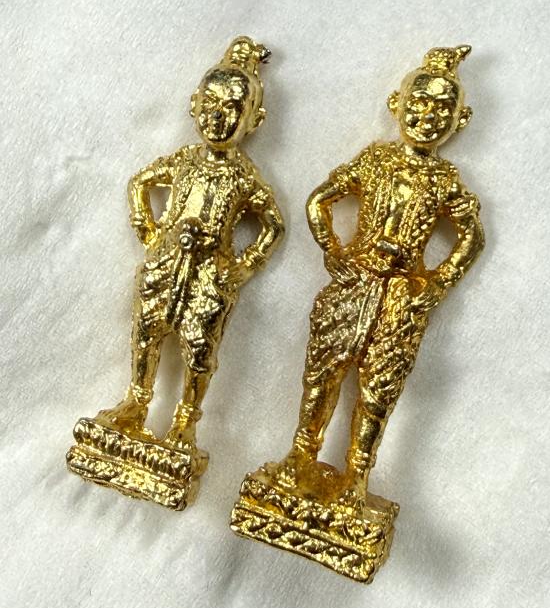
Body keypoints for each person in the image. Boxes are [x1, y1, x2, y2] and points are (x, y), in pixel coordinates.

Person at [279, 45, 485, 508]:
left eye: (442, 109)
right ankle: (300, 457)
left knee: (378, 391)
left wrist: (437, 283)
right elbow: (319, 200)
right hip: (353, 285)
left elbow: (472, 236)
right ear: (397, 103)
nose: (427, 116)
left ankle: (356, 478)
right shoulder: (375, 159)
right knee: (323, 374)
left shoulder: (444, 180)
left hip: (401, 298)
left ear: (461, 120)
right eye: (419, 103)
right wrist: (332, 249)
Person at [97, 36, 284, 451]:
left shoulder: (244, 176)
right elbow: (140, 183)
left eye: (232, 109)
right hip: (165, 265)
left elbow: (273, 224)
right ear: (194, 104)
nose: (217, 117)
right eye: (210, 104)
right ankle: (136, 401)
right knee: (147, 331)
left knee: (199, 348)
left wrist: (243, 267)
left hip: (209, 274)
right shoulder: (183, 160)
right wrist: (147, 230)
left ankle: (185, 422)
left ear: (255, 120)